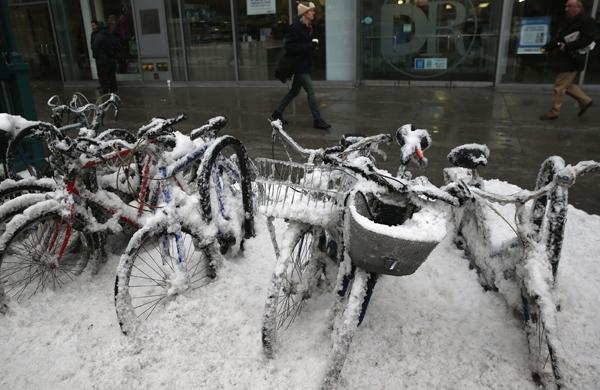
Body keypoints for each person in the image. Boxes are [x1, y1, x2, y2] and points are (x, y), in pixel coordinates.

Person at [271, 2, 331, 130]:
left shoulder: (309, 27)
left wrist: (314, 44)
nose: (313, 13)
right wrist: (310, 45)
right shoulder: (296, 27)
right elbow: (289, 47)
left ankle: (277, 113)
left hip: (305, 64)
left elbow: (305, 45)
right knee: (311, 91)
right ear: (305, 14)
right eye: (311, 11)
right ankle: (317, 120)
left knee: (294, 91)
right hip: (299, 66)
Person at [539, 0, 597, 120]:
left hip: (574, 58)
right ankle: (585, 100)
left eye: (570, 6)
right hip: (567, 57)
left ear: (578, 7)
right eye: (566, 6)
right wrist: (546, 47)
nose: (566, 9)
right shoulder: (570, 20)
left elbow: (588, 39)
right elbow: (560, 38)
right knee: (566, 84)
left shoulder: (586, 21)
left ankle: (554, 111)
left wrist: (568, 46)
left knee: (559, 86)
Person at [91, 20, 118, 93]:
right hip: (111, 58)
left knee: (103, 75)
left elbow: (94, 47)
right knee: (111, 75)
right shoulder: (109, 34)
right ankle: (113, 89)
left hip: (102, 59)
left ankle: (105, 89)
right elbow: (115, 44)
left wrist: (96, 55)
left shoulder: (99, 36)